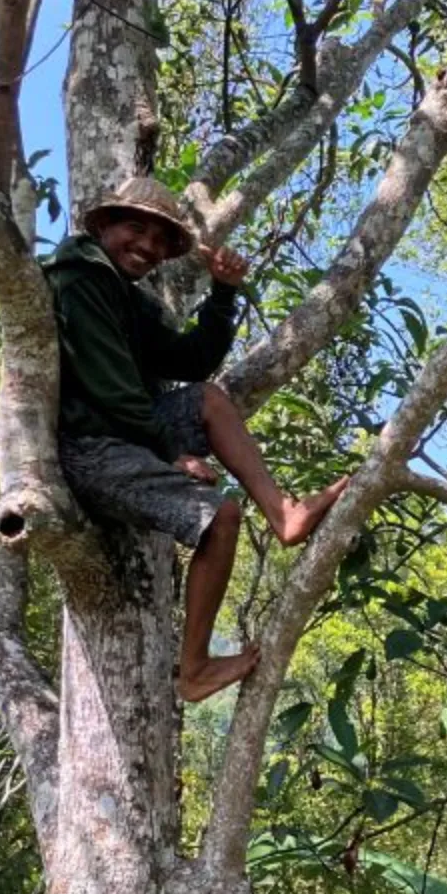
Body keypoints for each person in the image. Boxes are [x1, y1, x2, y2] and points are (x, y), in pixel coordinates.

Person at [48, 177, 349, 701]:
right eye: (134, 228)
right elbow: (109, 387)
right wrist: (171, 452)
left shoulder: (126, 294)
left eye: (160, 239)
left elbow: (188, 361)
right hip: (90, 445)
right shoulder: (80, 280)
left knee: (208, 397)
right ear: (103, 226)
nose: (147, 245)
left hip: (121, 432)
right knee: (220, 517)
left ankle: (285, 513)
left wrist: (224, 294)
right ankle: (193, 670)